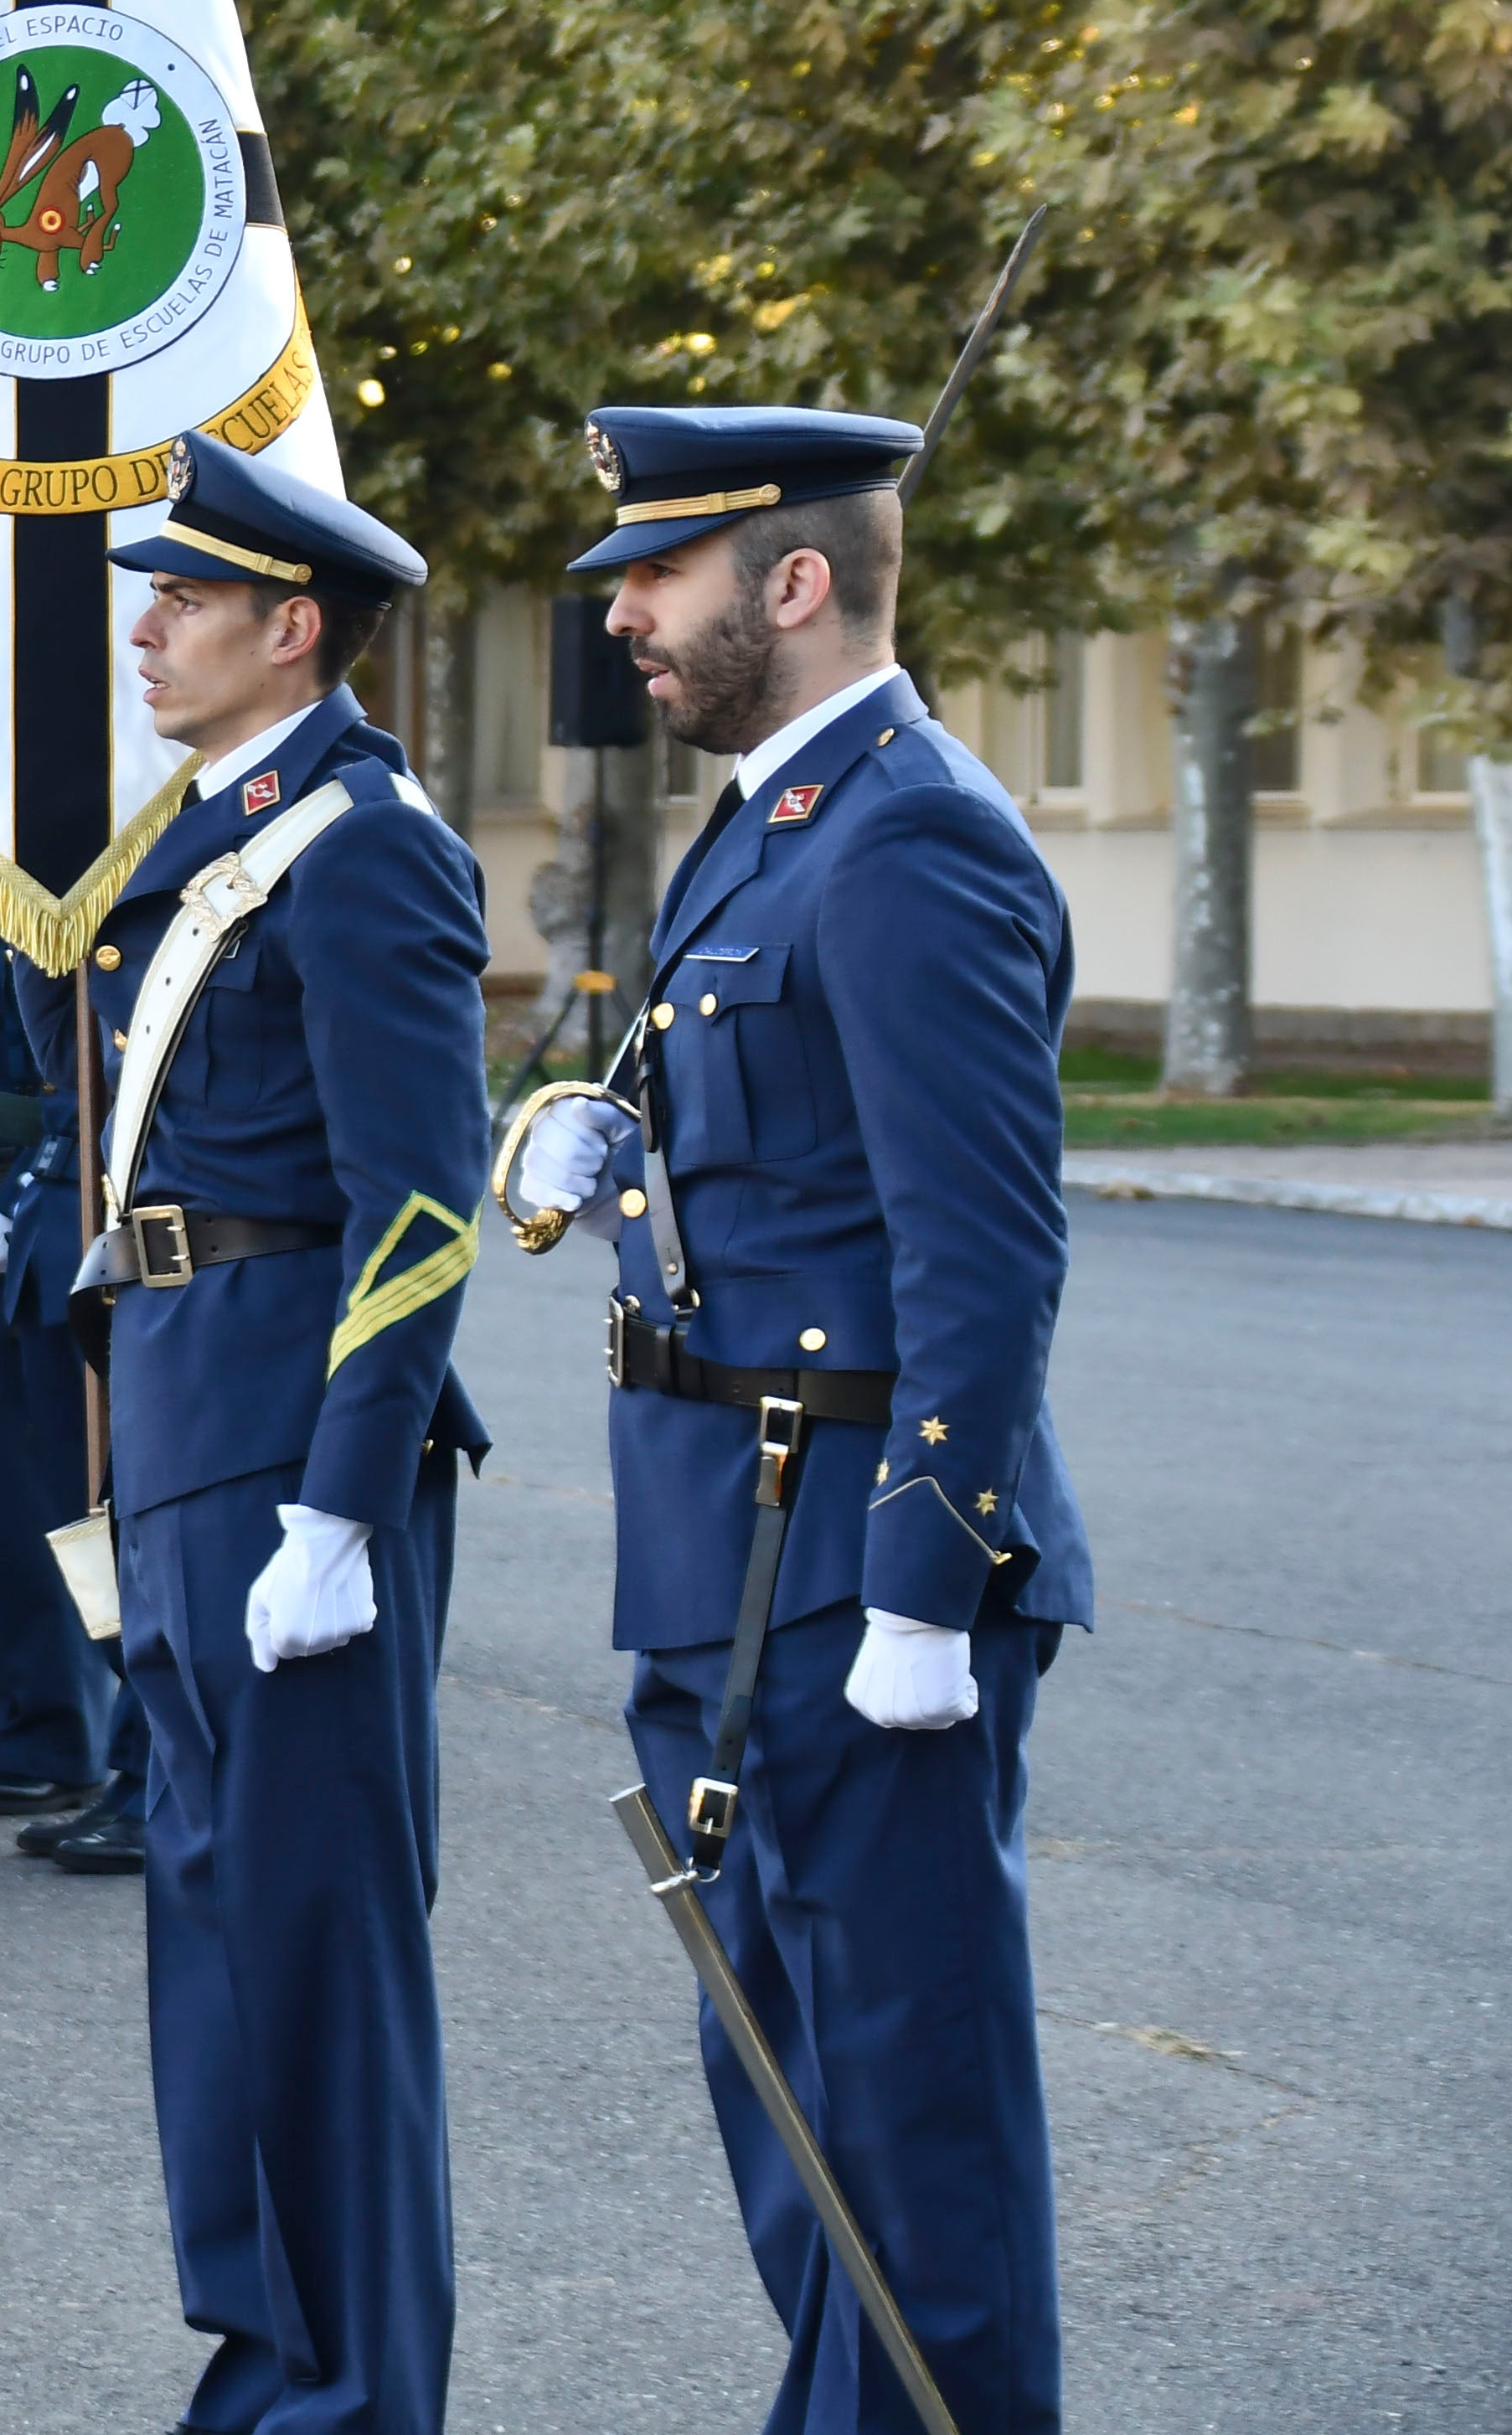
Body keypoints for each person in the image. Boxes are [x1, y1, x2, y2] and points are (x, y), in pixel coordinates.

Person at [514, 404, 1088, 2435]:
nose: (622, 624)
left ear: (793, 579)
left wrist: (924, 1582)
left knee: (900, 2111)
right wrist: (613, 1145)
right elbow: (790, 1165)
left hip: (850, 1570)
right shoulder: (773, 816)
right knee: (785, 2093)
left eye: (653, 580)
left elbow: (981, 1249)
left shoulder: (908, 826)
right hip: (722, 1556)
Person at [30, 431, 491, 2435]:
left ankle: (355, 2390)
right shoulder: (213, 824)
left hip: (286, 1442)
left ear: (287, 626)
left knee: (311, 1952)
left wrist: (345, 1498)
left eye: (185, 600)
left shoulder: (358, 839)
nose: (144, 627)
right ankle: (273, 2351)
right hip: (184, 1408)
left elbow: (415, 1203)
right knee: (218, 1933)